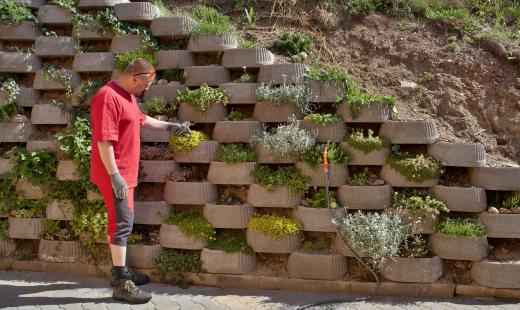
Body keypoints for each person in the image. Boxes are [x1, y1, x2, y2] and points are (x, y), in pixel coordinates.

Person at [89, 59, 189, 304]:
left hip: (125, 174)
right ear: (134, 77)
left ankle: (121, 272)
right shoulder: (107, 97)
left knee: (122, 221)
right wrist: (115, 176)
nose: (147, 88)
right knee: (122, 223)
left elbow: (142, 120)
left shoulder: (127, 96)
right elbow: (104, 141)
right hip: (117, 175)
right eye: (146, 83)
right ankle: (121, 283)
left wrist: (170, 126)